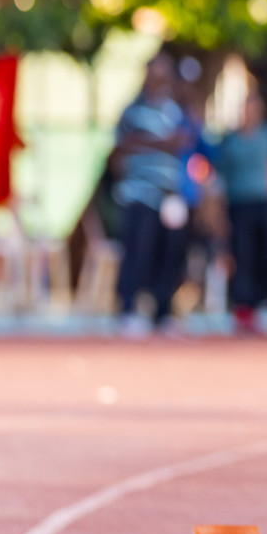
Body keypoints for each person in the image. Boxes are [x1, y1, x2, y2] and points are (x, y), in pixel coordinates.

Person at [112, 52, 191, 335]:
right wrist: (162, 143)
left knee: (169, 253)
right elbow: (120, 147)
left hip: (169, 194)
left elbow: (186, 143)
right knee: (138, 251)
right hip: (140, 192)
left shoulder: (175, 110)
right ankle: (129, 308)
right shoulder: (133, 110)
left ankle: (162, 311)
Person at [212, 93, 267, 333]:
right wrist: (219, 212)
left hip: (263, 202)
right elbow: (221, 178)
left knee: (264, 255)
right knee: (243, 255)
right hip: (239, 204)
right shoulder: (230, 141)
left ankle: (257, 304)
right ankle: (242, 308)